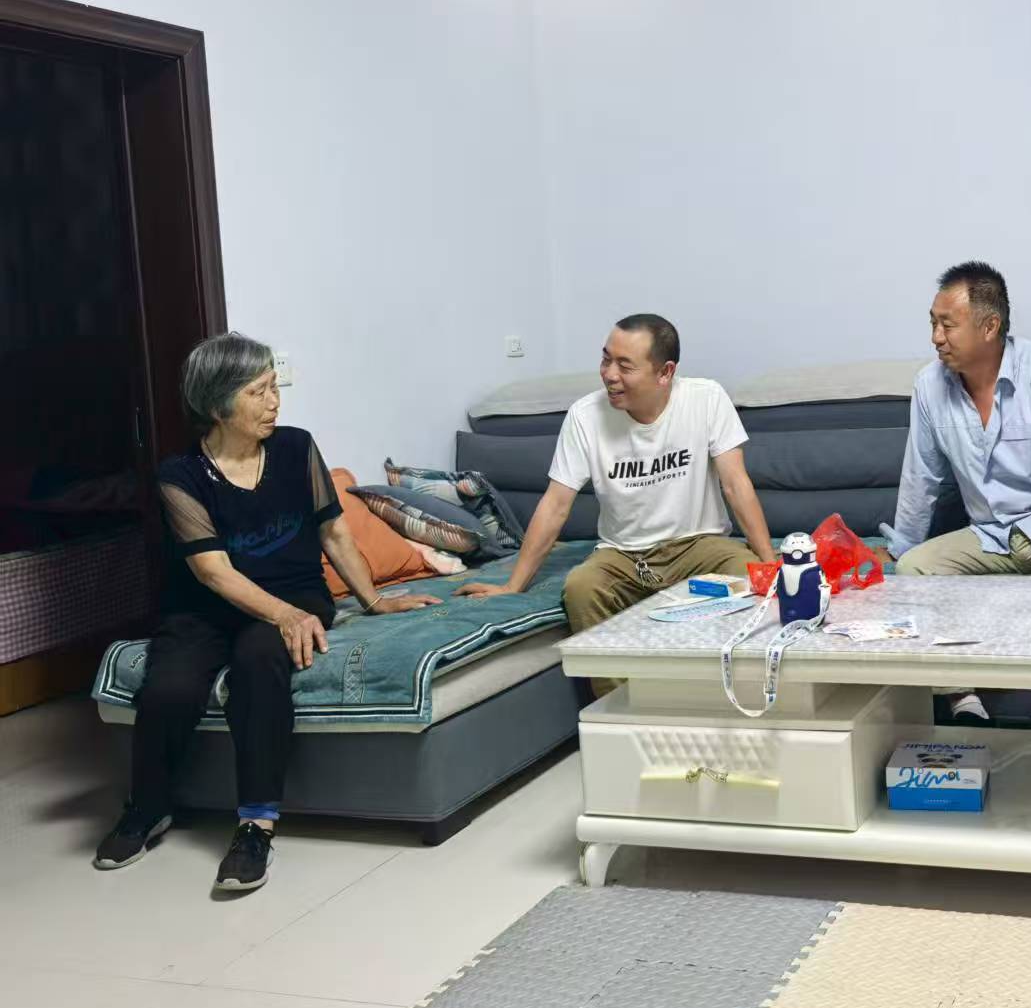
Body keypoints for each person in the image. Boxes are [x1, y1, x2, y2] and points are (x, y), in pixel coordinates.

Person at [94, 333, 440, 890]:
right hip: (204, 608)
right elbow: (213, 572)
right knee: (170, 687)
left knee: (259, 664)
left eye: (274, 387)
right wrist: (282, 616)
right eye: (258, 392)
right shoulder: (180, 476)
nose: (274, 402)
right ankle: (148, 807)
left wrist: (375, 601)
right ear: (217, 406)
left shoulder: (296, 448)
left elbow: (333, 532)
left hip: (297, 594)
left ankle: (256, 826)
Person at [885, 262, 1031, 733]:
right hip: (991, 535)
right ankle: (961, 699)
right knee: (914, 569)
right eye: (933, 323)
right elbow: (921, 479)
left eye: (947, 325)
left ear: (989, 326)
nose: (936, 337)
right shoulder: (929, 386)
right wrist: (899, 555)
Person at [458, 314, 776, 642]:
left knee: (748, 580)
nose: (610, 375)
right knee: (581, 589)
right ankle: (616, 677)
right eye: (606, 360)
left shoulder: (706, 398)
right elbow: (555, 505)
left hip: (699, 545)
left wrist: (769, 566)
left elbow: (735, 485)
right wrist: (512, 586)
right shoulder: (585, 415)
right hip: (624, 554)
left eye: (625, 366)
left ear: (665, 372)